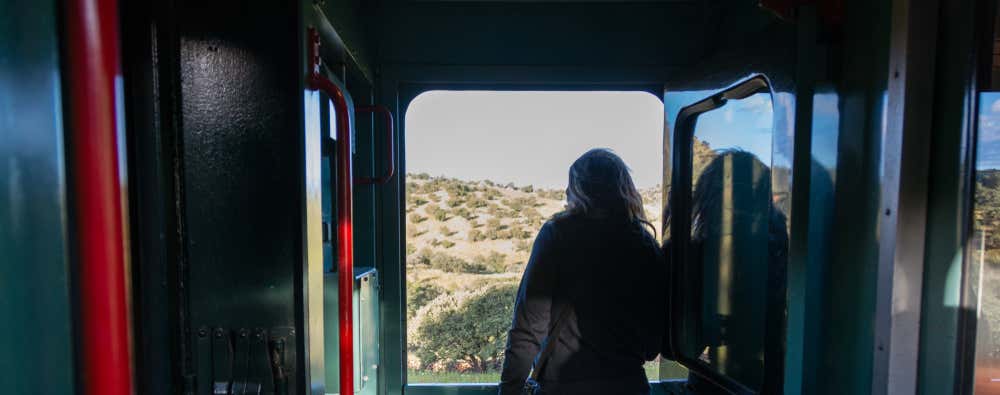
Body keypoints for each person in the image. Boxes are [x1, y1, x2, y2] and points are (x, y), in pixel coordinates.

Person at [498, 148, 666, 395]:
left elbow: (529, 327)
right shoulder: (644, 244)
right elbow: (653, 345)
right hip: (629, 386)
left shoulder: (557, 234)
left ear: (578, 190)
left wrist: (509, 389)